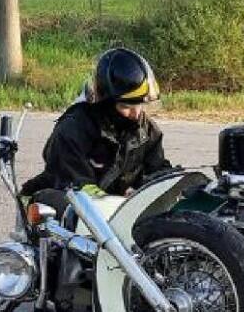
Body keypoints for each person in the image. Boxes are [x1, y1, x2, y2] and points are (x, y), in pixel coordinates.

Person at [21, 48, 171, 205]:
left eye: (140, 105)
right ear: (105, 103)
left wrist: (174, 186)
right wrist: (123, 203)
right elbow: (77, 185)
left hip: (111, 206)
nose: (136, 114)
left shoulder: (146, 130)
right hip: (60, 207)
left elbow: (158, 171)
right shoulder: (73, 129)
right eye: (127, 107)